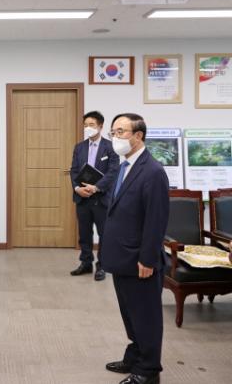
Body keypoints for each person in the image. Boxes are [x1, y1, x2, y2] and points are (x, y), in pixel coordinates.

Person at [101, 113, 169, 384]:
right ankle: (135, 356)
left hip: (140, 260)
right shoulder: (124, 165)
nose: (115, 138)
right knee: (130, 314)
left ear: (138, 135)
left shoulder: (153, 172)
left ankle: (148, 370)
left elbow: (156, 221)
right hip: (122, 257)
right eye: (113, 132)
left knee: (146, 317)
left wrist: (148, 260)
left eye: (120, 132)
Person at [69, 111, 119, 281]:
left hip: (101, 198)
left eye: (91, 125)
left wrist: (96, 187)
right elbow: (74, 170)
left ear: (100, 126)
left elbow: (113, 172)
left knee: (104, 234)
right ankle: (86, 263)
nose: (88, 128)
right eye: (85, 125)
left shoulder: (110, 147)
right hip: (82, 197)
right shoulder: (79, 147)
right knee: (84, 233)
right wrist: (77, 188)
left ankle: (102, 266)